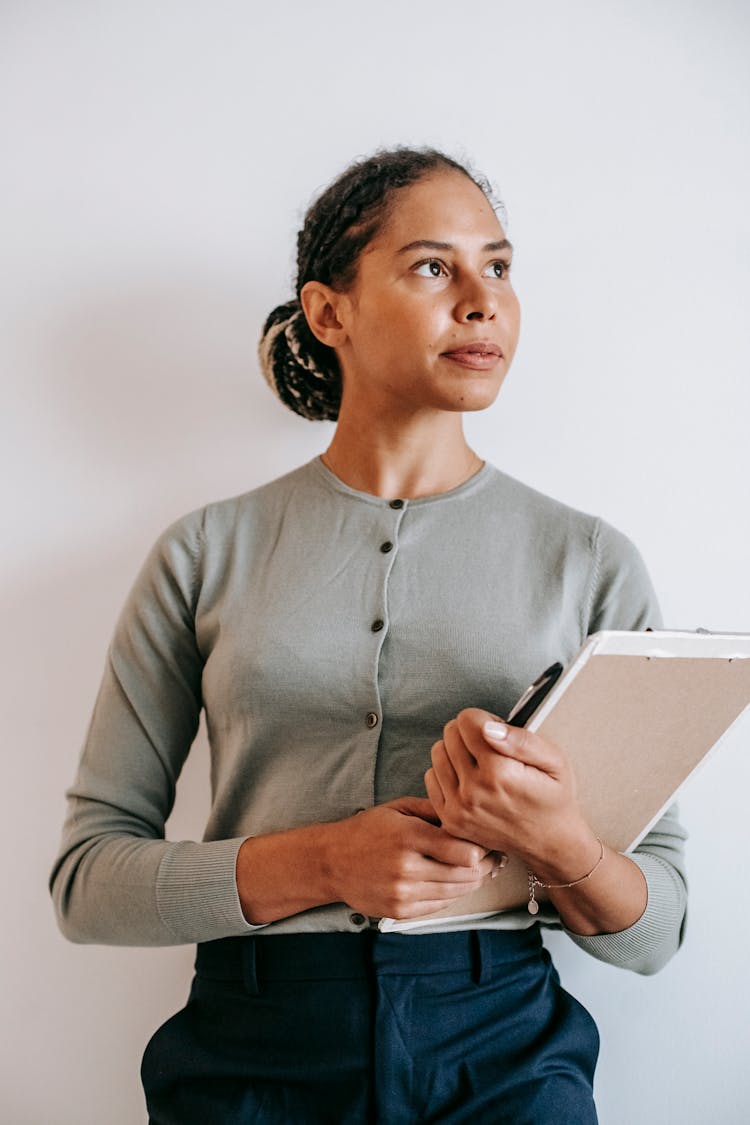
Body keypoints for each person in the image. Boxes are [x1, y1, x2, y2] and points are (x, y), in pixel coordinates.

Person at [50, 147, 687, 1124]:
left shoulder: (592, 561)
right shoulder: (204, 552)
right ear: (328, 312)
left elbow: (657, 932)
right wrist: (321, 862)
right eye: (434, 266)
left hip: (505, 1049)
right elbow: (88, 884)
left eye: (501, 267)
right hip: (249, 1053)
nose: (483, 301)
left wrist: (565, 848)